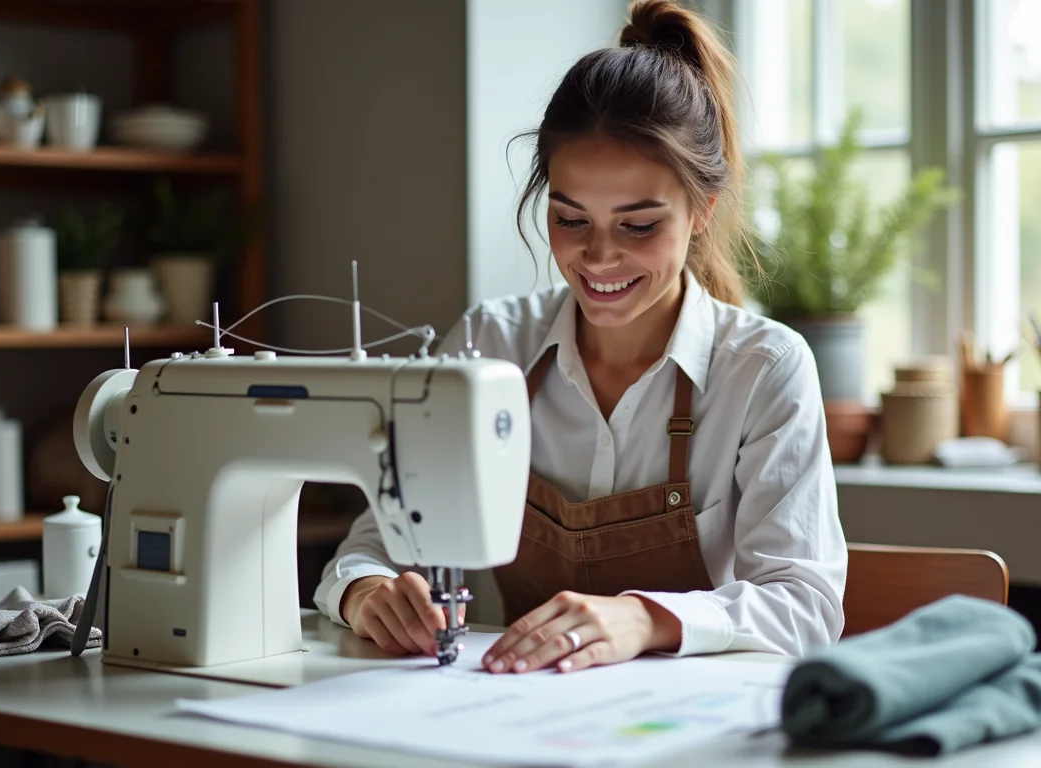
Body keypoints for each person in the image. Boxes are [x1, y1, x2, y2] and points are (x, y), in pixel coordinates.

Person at [313, 0, 847, 675]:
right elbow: (373, 548)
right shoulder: (490, 344)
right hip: (516, 712)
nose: (597, 259)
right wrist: (367, 592)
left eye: (638, 225)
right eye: (570, 219)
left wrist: (643, 616)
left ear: (702, 211)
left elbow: (805, 607)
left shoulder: (763, 370)